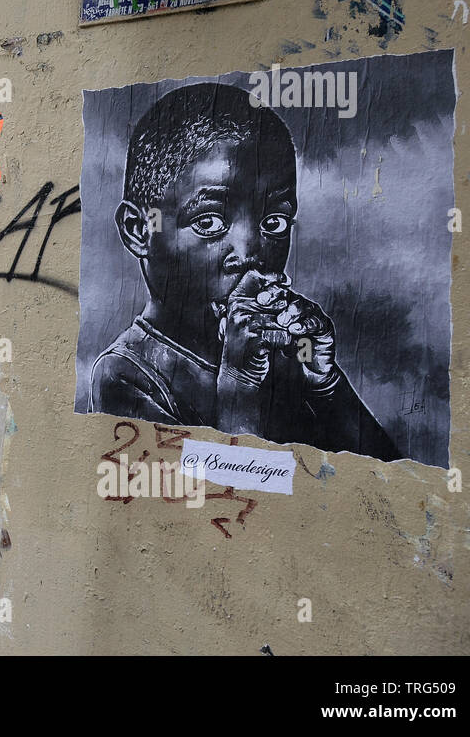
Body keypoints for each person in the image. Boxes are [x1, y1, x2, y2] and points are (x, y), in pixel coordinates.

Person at [89, 82, 400, 461]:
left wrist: (325, 382)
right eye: (208, 222)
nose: (252, 253)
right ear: (141, 231)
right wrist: (239, 382)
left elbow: (384, 474)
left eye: (274, 222)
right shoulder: (125, 376)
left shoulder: (282, 352)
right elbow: (232, 504)